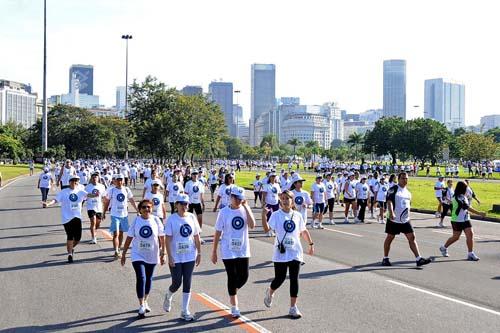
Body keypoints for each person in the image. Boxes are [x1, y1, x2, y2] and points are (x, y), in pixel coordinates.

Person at [261, 190, 314, 319]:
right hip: (281, 252)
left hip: (295, 251)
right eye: (283, 198)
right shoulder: (276, 215)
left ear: (292, 201)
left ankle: (293, 307)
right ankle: (270, 291)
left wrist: (311, 244)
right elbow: (267, 229)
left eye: (287, 198)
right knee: (280, 278)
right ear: (280, 201)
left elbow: (303, 231)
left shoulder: (297, 215)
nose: (285, 201)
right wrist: (264, 215)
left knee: (294, 279)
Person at [211, 186, 256, 318]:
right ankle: (234, 306)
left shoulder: (245, 210)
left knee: (244, 277)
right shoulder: (224, 212)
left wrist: (246, 207)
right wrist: (214, 251)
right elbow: (218, 231)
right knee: (232, 276)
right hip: (228, 249)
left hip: (243, 249)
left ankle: (232, 292)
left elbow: (252, 225)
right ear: (231, 197)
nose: (238, 201)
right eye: (236, 198)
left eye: (241, 199)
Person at [121, 199, 166, 318]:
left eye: (149, 207)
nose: (147, 209)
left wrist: (163, 253)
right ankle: (141, 304)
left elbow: (162, 237)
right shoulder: (136, 221)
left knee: (149, 278)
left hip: (152, 253)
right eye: (144, 207)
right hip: (137, 254)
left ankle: (145, 300)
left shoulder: (156, 220)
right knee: (141, 277)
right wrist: (124, 253)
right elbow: (129, 237)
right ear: (140, 210)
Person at [163, 193, 202, 321]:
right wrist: (170, 256)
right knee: (177, 282)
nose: (185, 206)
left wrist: (199, 253)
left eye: (187, 204)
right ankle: (169, 295)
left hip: (190, 255)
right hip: (176, 256)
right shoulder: (172, 219)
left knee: (187, 282)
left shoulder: (191, 217)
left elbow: (196, 236)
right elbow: (167, 239)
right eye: (182, 204)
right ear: (177, 205)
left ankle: (185, 310)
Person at [382, 172, 432, 267]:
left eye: (406, 178)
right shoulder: (393, 189)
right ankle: (385, 258)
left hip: (405, 220)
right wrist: (391, 212)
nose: (405, 180)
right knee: (390, 238)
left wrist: (409, 216)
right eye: (403, 178)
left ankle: (418, 259)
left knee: (412, 237)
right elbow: (389, 201)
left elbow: (408, 205)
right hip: (394, 219)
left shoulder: (408, 192)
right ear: (399, 179)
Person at [439, 181, 486, 261]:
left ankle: (470, 253)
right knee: (456, 237)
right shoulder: (458, 197)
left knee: (470, 234)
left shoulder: (463, 196)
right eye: (465, 187)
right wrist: (479, 213)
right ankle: (444, 247)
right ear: (462, 188)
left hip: (465, 219)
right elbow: (466, 207)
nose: (467, 188)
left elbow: (467, 207)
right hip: (457, 220)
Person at [46, 175, 86, 263]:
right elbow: (56, 200)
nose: (75, 182)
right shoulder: (64, 192)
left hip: (77, 216)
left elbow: (88, 195)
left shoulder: (80, 191)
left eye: (76, 181)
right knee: (70, 236)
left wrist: (95, 195)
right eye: (73, 181)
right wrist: (48, 204)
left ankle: (70, 248)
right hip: (67, 218)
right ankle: (70, 254)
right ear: (69, 182)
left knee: (78, 238)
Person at [102, 174, 138, 258]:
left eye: (121, 180)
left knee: (121, 233)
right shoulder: (112, 190)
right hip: (115, 215)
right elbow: (107, 202)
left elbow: (132, 200)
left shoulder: (126, 189)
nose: (120, 182)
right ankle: (116, 250)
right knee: (116, 234)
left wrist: (138, 210)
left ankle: (118, 248)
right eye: (118, 180)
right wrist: (103, 212)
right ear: (114, 181)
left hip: (124, 215)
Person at [184, 170, 206, 242]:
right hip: (190, 203)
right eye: (193, 174)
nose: (195, 175)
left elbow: (201, 194)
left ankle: (199, 235)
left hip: (197, 203)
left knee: (200, 218)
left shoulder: (200, 184)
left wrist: (203, 203)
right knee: (189, 219)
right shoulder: (188, 183)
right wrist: (185, 203)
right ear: (191, 175)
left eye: (196, 174)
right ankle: (189, 234)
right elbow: (186, 194)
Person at [85, 172, 106, 244]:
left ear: (98, 178)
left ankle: (94, 231)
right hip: (90, 206)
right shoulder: (88, 187)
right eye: (93, 177)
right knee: (93, 222)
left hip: (99, 207)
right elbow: (86, 196)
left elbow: (104, 197)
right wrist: (94, 195)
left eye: (96, 177)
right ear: (91, 178)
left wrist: (106, 207)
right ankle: (93, 238)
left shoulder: (102, 186)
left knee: (98, 223)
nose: (94, 178)